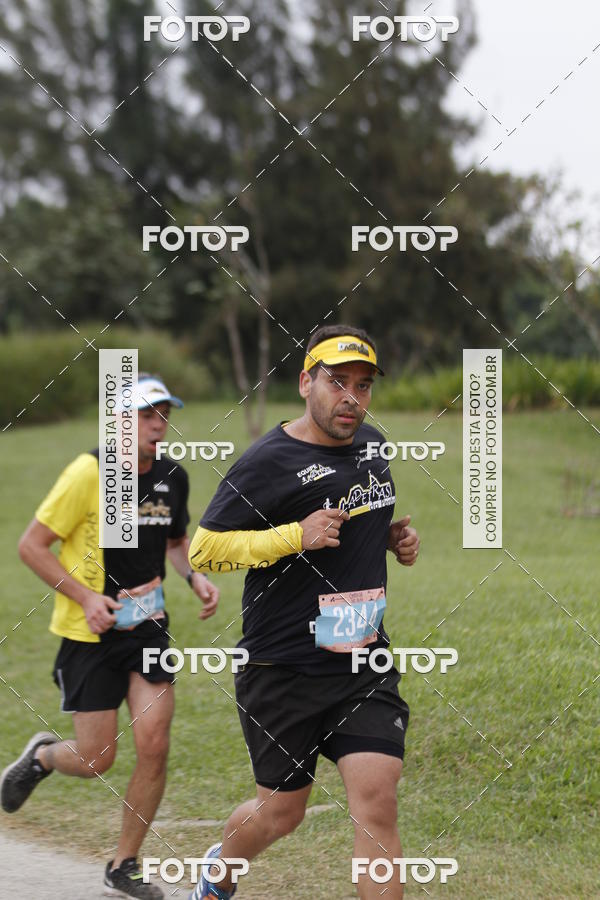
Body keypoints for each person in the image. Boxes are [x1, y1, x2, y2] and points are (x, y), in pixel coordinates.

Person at [187, 326, 420, 900]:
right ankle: (220, 869)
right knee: (281, 814)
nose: (351, 398)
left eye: (363, 386)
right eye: (337, 382)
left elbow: (356, 521)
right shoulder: (268, 461)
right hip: (282, 667)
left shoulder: (373, 446)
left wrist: (389, 538)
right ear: (304, 383)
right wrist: (294, 536)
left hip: (362, 662)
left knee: (378, 804)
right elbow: (204, 551)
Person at [1, 374, 220, 900]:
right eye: (146, 415)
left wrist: (193, 576)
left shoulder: (173, 476)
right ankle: (44, 756)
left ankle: (124, 865)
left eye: (164, 414)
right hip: (90, 635)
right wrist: (85, 598)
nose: (158, 424)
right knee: (96, 758)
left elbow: (175, 541)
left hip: (148, 629)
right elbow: (31, 546)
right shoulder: (88, 472)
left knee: (155, 745)